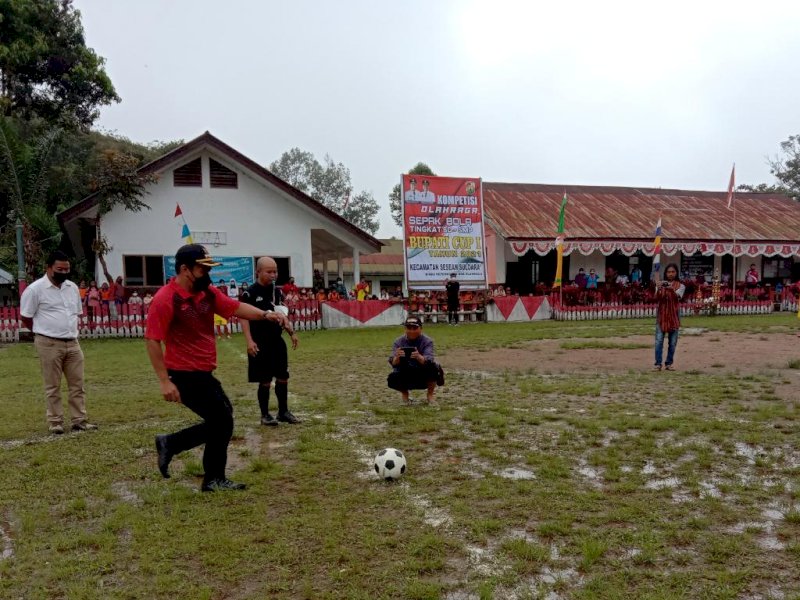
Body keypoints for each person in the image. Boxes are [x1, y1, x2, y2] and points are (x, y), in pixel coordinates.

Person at [146, 244, 290, 492]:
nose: (208, 274)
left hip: (202, 372)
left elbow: (235, 308)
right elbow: (152, 340)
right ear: (185, 269)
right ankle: (209, 475)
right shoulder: (166, 298)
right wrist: (164, 381)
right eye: (203, 269)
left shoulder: (207, 292)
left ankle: (172, 445)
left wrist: (266, 315)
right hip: (183, 373)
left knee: (221, 418)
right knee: (222, 419)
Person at [20, 250, 97, 434]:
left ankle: (79, 420)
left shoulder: (72, 288)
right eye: (59, 269)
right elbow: (26, 318)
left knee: (77, 384)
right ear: (48, 268)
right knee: (52, 385)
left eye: (67, 269)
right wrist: (42, 332)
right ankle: (55, 422)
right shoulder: (35, 290)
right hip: (48, 343)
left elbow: (76, 313)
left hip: (72, 342)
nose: (64, 272)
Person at [241, 256, 300, 426]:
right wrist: (249, 341)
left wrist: (291, 332)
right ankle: (265, 415)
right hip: (260, 342)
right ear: (258, 272)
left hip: (277, 341)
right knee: (265, 380)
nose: (273, 275)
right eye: (269, 271)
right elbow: (243, 317)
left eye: (275, 271)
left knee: (283, 377)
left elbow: (281, 313)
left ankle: (283, 412)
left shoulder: (276, 291)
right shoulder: (250, 293)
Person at [387, 316, 443, 405]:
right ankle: (405, 394)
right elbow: (393, 363)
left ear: (421, 328)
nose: (412, 331)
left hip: (422, 371)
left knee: (434, 368)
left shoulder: (427, 341)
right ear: (405, 329)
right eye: (409, 328)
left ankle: (430, 394)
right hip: (405, 371)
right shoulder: (398, 342)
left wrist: (419, 357)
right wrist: (397, 358)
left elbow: (429, 360)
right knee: (392, 378)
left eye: (415, 328)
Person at [654, 263, 685, 371]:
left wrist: (670, 288)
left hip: (674, 317)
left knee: (672, 343)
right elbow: (657, 298)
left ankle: (669, 363)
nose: (670, 274)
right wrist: (658, 288)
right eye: (668, 272)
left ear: (676, 273)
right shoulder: (660, 284)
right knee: (658, 341)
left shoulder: (681, 286)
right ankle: (658, 364)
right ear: (665, 273)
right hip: (661, 317)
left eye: (673, 272)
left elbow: (677, 296)